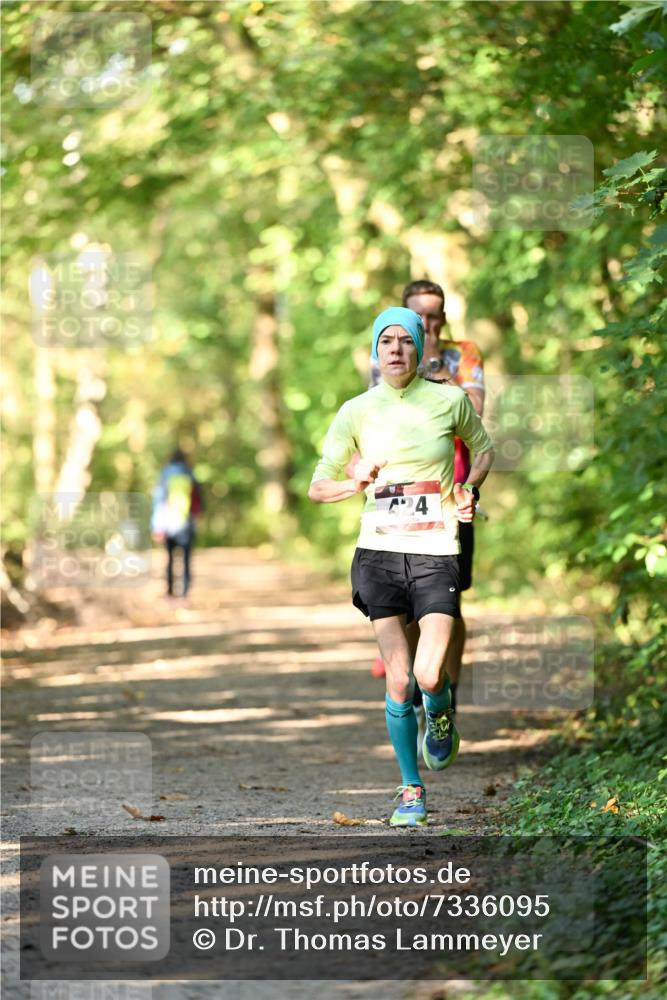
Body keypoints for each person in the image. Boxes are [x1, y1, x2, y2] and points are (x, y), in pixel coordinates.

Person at [309, 307, 494, 827]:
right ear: (376, 351)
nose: (395, 349)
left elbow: (483, 449)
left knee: (429, 673)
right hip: (378, 555)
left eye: (404, 341)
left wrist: (469, 489)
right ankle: (411, 790)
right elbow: (317, 485)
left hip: (436, 551)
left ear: (419, 348)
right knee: (397, 681)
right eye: (385, 341)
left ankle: (440, 715)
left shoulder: (449, 399)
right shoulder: (356, 411)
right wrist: (356, 481)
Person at [368, 280, 486, 716]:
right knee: (405, 605)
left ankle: (445, 695)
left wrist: (433, 361)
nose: (428, 323)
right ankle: (419, 689)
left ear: (444, 316)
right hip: (398, 496)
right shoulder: (386, 351)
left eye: (434, 315)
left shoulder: (464, 353)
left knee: (447, 601)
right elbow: (379, 411)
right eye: (419, 315)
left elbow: (473, 412)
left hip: (452, 495)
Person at [151, 448, 203, 603]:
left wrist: (156, 526)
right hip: (186, 524)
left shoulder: (165, 475)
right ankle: (185, 595)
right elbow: (198, 501)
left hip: (168, 525)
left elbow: (159, 502)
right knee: (186, 561)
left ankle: (169, 594)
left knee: (170, 560)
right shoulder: (190, 473)